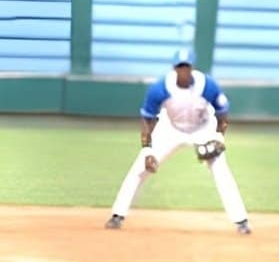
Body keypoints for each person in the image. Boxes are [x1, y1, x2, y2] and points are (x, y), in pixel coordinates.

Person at [105, 48, 252, 234]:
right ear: (174, 68)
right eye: (180, 66)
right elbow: (147, 120)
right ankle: (118, 215)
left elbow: (222, 114)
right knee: (140, 169)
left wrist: (218, 138)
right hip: (171, 129)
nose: (183, 70)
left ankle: (241, 221)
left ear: (192, 67)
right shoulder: (161, 88)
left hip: (203, 128)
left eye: (186, 66)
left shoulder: (207, 85)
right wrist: (147, 151)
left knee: (221, 171)